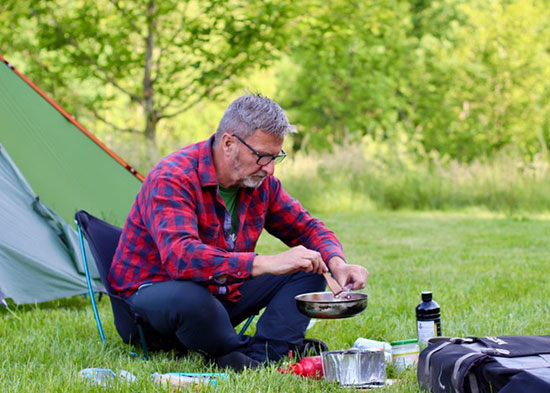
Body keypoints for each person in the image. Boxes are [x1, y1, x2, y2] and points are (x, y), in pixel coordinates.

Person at [109, 94, 368, 371]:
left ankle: (267, 352)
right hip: (150, 308)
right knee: (193, 299)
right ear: (229, 143)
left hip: (217, 298)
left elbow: (307, 228)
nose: (269, 169)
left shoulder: (261, 184)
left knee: (308, 262)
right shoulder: (173, 176)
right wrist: (264, 262)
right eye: (261, 156)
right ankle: (231, 350)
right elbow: (181, 258)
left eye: (275, 157)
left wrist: (336, 262)